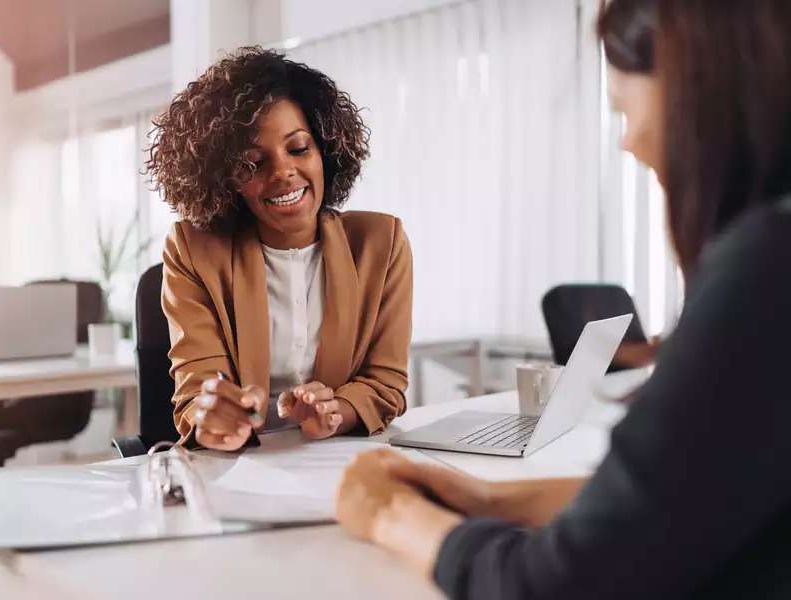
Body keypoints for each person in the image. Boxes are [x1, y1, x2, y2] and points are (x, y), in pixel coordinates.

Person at [336, 1, 791, 598]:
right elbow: (687, 497)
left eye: (625, 109)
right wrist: (489, 498)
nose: (629, 142)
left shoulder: (766, 268)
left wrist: (390, 515)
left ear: (701, 87)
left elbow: (557, 585)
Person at [146, 47, 413, 451]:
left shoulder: (381, 243)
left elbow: (385, 383)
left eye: (298, 148)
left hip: (336, 460)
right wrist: (216, 418)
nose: (283, 172)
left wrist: (335, 413)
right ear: (226, 180)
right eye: (253, 163)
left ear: (325, 149)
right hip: (236, 469)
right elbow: (197, 390)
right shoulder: (192, 250)